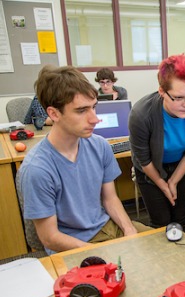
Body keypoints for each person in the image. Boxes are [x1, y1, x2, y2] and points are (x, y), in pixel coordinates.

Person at [17, 65, 150, 254]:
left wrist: (129, 231)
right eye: (81, 111)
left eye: (94, 107)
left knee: (167, 249)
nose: (95, 119)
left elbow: (110, 198)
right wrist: (104, 253)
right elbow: (49, 237)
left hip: (109, 228)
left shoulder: (99, 145)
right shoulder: (37, 169)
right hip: (73, 245)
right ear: (54, 114)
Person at [129, 54, 185, 232]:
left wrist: (173, 181)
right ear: (162, 92)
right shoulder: (141, 114)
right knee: (161, 222)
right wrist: (163, 184)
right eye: (179, 98)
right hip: (150, 169)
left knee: (181, 218)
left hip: (182, 165)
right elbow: (143, 159)